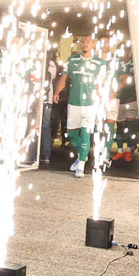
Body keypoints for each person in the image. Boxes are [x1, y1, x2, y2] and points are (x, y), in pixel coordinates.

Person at [53, 33, 107, 178]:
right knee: (72, 134)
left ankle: (81, 165)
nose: (85, 44)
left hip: (90, 104)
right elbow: (64, 78)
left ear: (93, 44)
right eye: (83, 42)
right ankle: (81, 155)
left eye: (88, 42)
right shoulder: (72, 60)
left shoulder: (100, 63)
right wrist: (57, 92)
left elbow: (102, 84)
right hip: (73, 102)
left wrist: (102, 100)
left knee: (85, 132)